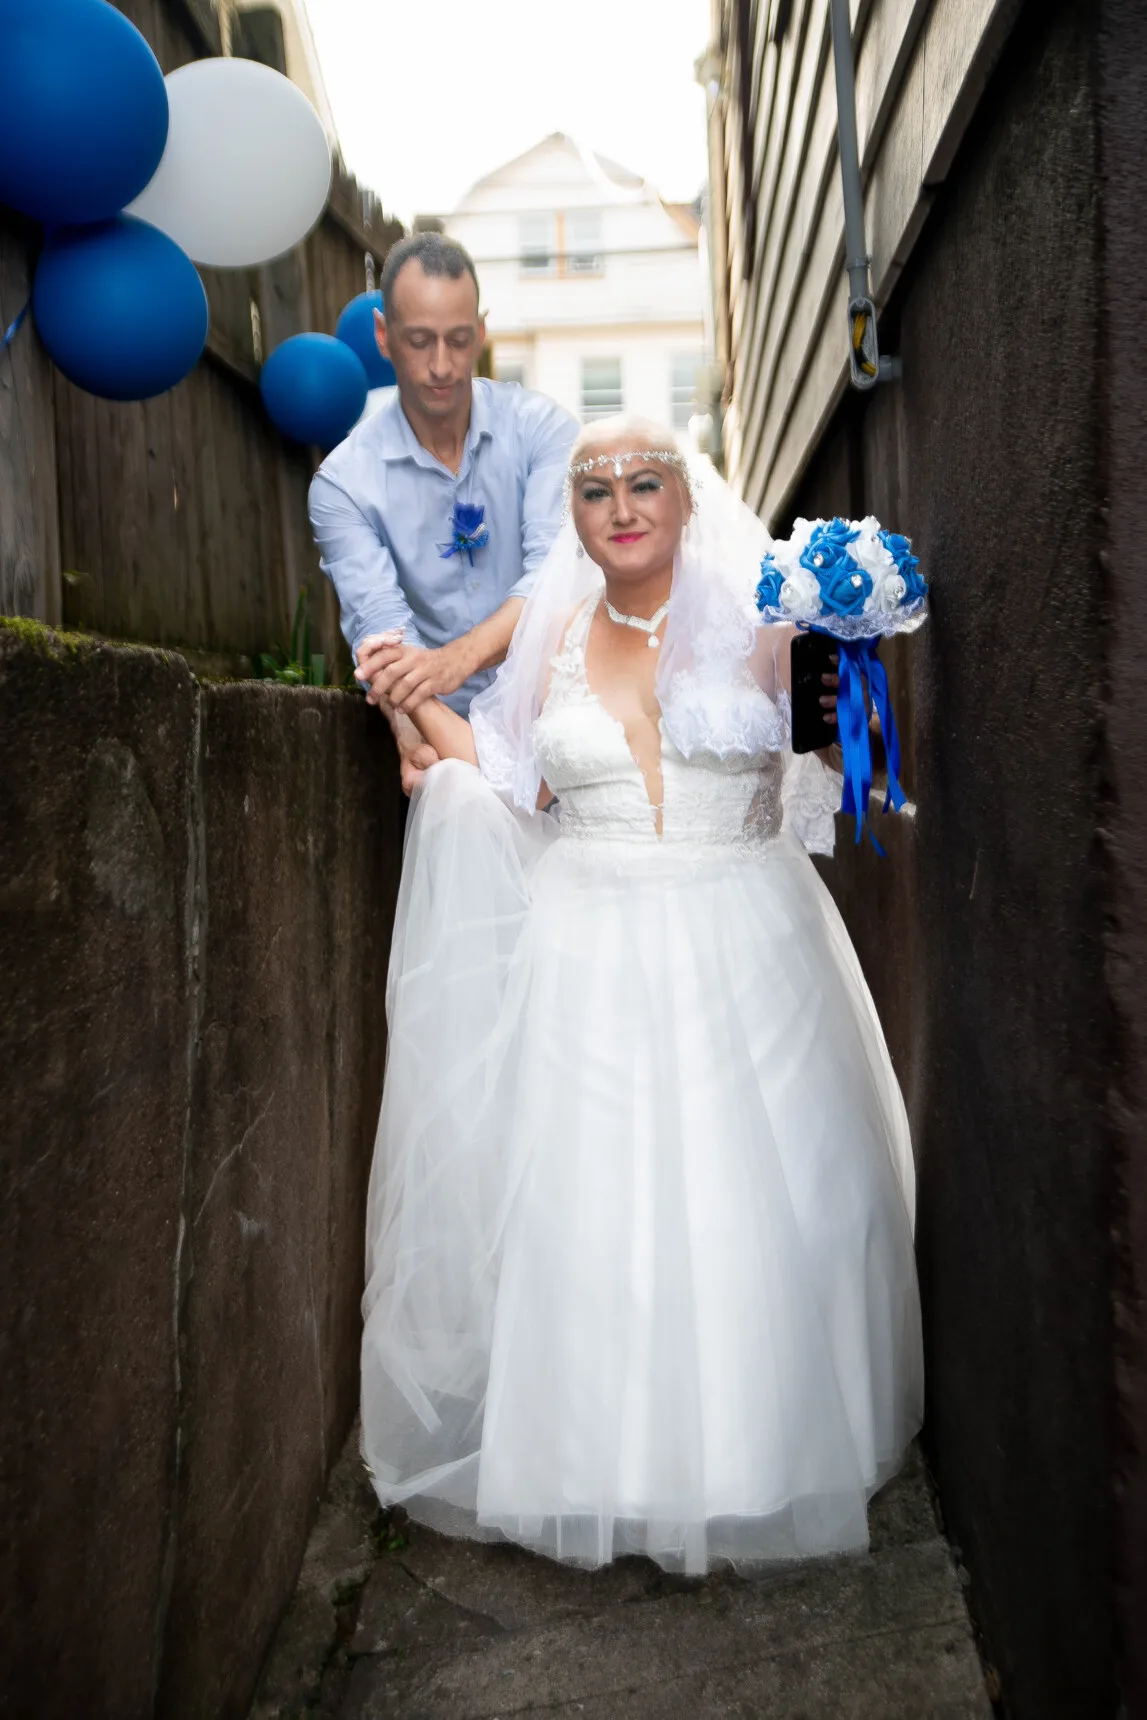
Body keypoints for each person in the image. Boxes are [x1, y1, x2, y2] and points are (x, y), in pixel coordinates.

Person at [359, 416, 923, 1574]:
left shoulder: (763, 626)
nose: (619, 503)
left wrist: (836, 632)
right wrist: (407, 700)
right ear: (572, 517)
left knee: (760, 1198)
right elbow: (506, 782)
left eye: (644, 481)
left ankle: (756, 1456)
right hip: (588, 953)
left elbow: (824, 729)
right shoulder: (555, 641)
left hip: (744, 942)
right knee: (590, 1213)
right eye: (594, 487)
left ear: (685, 499)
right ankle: (595, 1470)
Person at [309, 232, 578, 792]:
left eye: (459, 341)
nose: (441, 366)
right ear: (383, 336)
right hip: (444, 737)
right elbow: (382, 631)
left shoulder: (544, 431)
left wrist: (454, 660)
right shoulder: (343, 484)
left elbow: (554, 582)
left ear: (480, 331)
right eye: (418, 341)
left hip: (564, 717)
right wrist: (411, 732)